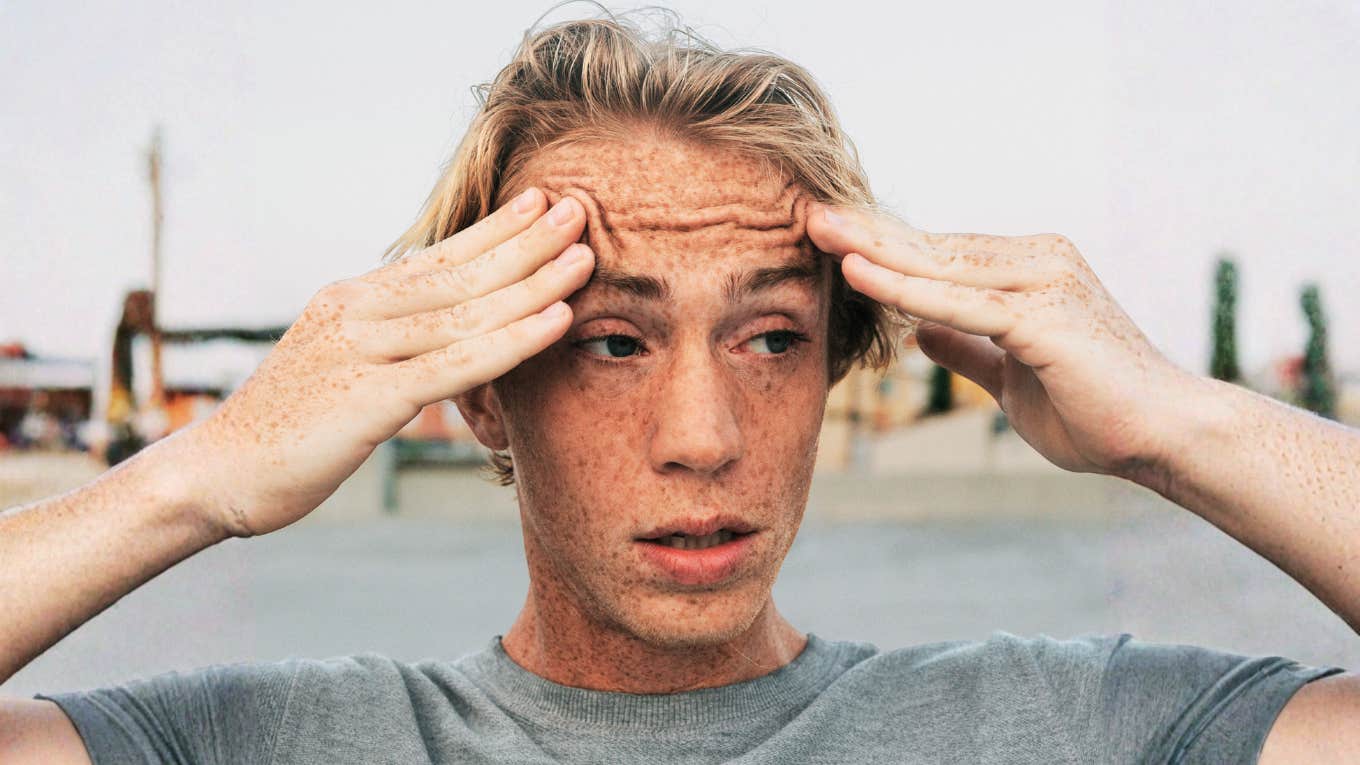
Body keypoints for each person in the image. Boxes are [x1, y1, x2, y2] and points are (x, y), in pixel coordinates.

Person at [2, 9, 1359, 764]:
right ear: (484, 390)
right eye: (613, 340)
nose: (704, 439)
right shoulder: (280, 744)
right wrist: (199, 478)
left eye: (772, 337)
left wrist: (1176, 428)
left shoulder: (1055, 727)